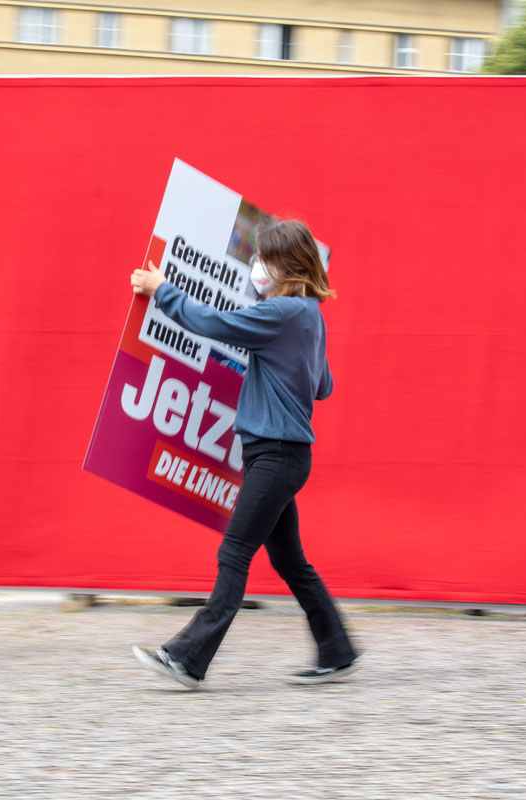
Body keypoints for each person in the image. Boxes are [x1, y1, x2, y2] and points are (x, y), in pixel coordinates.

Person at [129, 220, 359, 688]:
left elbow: (215, 324)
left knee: (233, 553)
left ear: (287, 265)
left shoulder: (283, 315)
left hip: (274, 455)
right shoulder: (307, 315)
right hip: (283, 456)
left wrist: (161, 289)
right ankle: (336, 649)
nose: (258, 267)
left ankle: (188, 658)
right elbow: (325, 386)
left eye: (266, 259)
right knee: (290, 562)